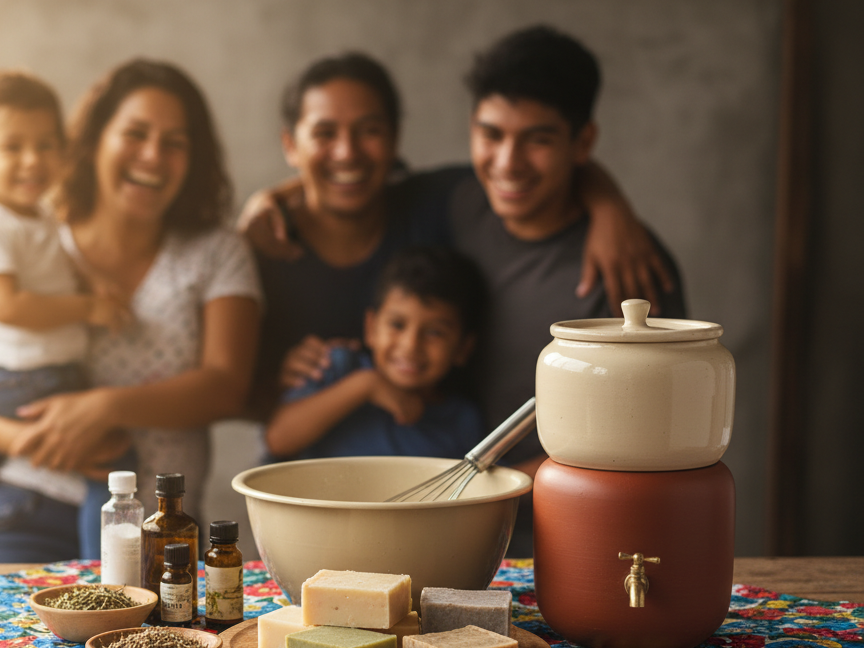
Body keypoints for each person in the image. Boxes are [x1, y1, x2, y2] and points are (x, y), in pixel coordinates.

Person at [243, 30, 688, 555]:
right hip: (450, 533)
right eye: (490, 134)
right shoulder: (461, 204)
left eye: (539, 140)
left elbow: (646, 438)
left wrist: (610, 205)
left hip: (574, 537)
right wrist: (268, 197)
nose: (508, 163)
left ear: (583, 143)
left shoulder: (630, 268)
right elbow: (352, 175)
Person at [0, 59, 262, 563]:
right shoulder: (31, 234)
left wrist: (105, 409)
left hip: (159, 522)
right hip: (23, 501)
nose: (152, 155)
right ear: (93, 140)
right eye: (135, 133)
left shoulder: (216, 252)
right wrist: (32, 440)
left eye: (175, 142)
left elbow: (227, 385)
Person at [0, 69, 129, 565]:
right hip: (16, 377)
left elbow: (54, 268)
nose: (32, 160)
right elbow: (8, 305)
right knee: (112, 467)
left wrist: (87, 284)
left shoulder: (35, 215)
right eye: (12, 147)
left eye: (45, 145)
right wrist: (88, 308)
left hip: (34, 374)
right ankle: (99, 572)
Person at [264, 246, 486, 462]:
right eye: (397, 325)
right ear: (371, 328)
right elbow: (278, 440)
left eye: (435, 332)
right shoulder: (338, 366)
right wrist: (366, 385)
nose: (410, 346)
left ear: (462, 349)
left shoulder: (462, 420)